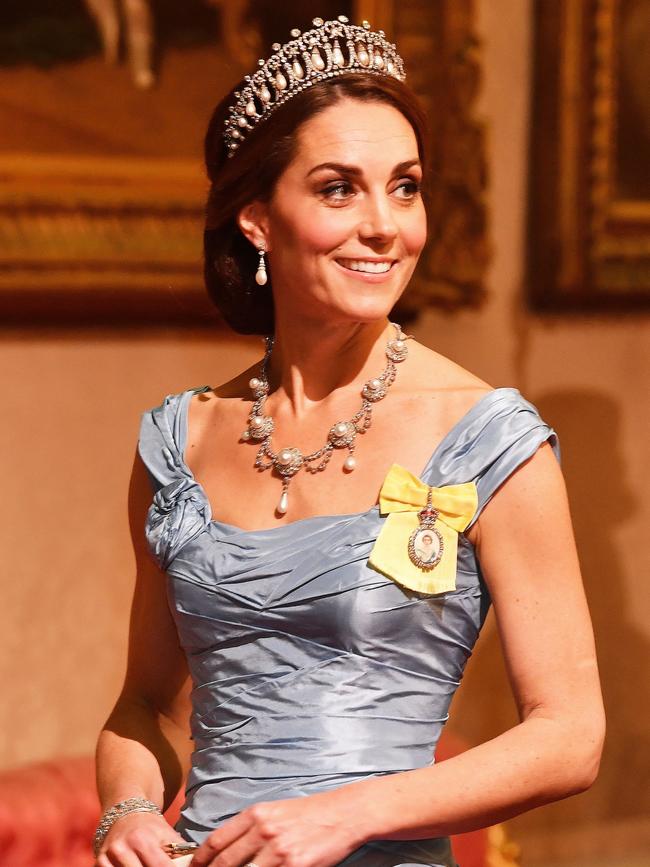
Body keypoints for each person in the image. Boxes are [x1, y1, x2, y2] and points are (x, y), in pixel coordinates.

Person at [94, 15, 605, 867]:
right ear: (257, 219)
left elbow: (571, 735)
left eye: (404, 187)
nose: (384, 226)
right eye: (339, 188)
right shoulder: (176, 444)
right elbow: (148, 703)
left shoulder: (488, 438)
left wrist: (348, 813)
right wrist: (131, 809)